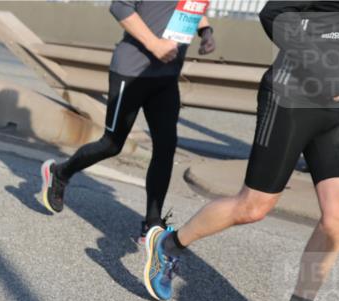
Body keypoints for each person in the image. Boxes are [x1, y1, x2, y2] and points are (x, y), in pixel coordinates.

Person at [143, 1, 339, 301]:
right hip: (291, 98)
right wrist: (325, 74)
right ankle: (168, 246)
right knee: (253, 207)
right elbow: (273, 14)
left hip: (336, 113)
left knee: (338, 218)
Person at [40, 0, 215, 242]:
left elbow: (194, 7)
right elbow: (120, 8)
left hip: (166, 77)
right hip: (131, 71)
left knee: (166, 148)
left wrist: (205, 31)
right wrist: (155, 44)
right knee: (112, 144)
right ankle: (59, 172)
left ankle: (152, 224)